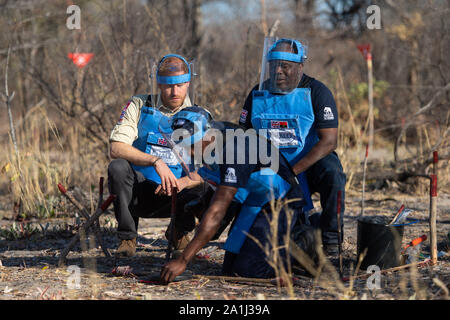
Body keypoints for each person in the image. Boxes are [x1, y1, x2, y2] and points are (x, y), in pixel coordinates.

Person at [159, 106, 307, 283]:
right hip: (255, 199)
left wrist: (183, 260)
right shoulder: (213, 136)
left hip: (282, 199)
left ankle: (303, 243)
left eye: (193, 146)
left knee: (251, 271)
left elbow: (217, 211)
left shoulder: (235, 150)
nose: (190, 153)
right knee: (231, 268)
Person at [238, 38, 346, 255]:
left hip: (307, 162)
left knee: (333, 173)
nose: (278, 71)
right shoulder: (258, 92)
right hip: (270, 165)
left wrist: (291, 173)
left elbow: (329, 141)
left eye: (285, 66)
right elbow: (244, 135)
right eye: (273, 65)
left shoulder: (317, 91)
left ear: (300, 66)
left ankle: (332, 237)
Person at [108, 54, 208, 257]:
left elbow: (210, 166)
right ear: (158, 84)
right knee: (117, 167)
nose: (174, 91)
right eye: (168, 85)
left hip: (178, 194)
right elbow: (116, 148)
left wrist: (182, 183)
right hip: (141, 191)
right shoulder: (139, 104)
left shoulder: (199, 114)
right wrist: (156, 161)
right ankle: (128, 237)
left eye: (180, 85)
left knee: (205, 184)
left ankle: (178, 232)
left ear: (188, 83)